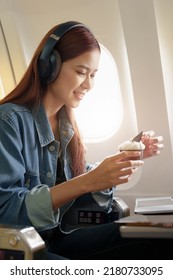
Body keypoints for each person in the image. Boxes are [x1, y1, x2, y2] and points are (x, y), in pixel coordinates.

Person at [0, 21, 164, 260]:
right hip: (23, 248)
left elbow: (77, 186)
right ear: (49, 66)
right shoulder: (9, 121)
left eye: (93, 75)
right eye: (80, 72)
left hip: (59, 237)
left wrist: (119, 163)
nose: (89, 84)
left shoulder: (66, 123)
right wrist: (87, 181)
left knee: (157, 236)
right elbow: (6, 211)